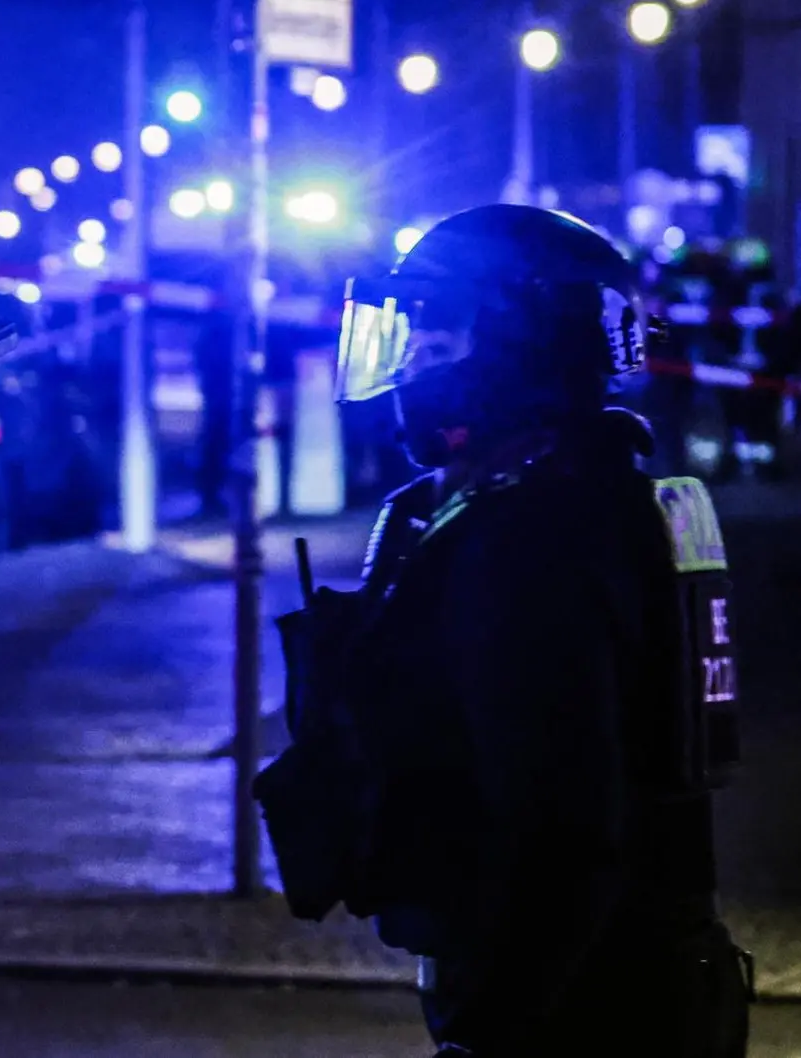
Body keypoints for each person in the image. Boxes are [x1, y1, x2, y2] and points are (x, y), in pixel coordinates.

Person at [258, 204, 751, 1056]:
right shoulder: (574, 497)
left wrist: (491, 1034)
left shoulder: (537, 535)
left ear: (524, 342)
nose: (410, 359)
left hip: (582, 1006)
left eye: (437, 333)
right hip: (601, 983)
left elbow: (566, 832)